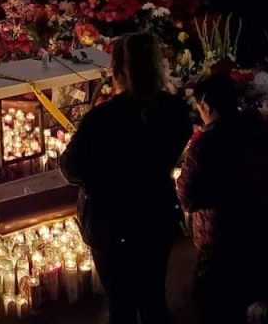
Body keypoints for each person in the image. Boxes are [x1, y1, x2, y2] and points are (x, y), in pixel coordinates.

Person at [60, 32, 193, 324]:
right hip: (157, 215)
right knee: (153, 296)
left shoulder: (103, 119)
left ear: (116, 71)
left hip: (113, 224)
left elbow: (71, 169)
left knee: (121, 304)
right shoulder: (176, 111)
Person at [177, 71, 268, 324]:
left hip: (220, 242)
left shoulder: (206, 144)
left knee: (218, 308)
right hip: (262, 233)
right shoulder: (261, 128)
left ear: (205, 105)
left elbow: (187, 197)